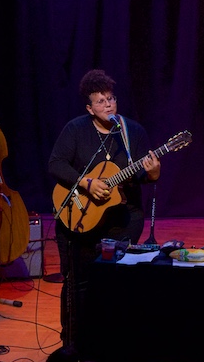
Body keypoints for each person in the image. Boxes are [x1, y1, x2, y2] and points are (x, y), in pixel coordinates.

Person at [48, 69, 160, 347]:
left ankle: (113, 341)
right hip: (79, 217)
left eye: (111, 99)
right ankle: (72, 342)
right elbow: (56, 164)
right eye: (100, 101)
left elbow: (145, 177)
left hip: (123, 218)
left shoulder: (133, 132)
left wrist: (154, 172)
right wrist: (86, 182)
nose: (108, 105)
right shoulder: (75, 129)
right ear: (89, 108)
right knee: (78, 282)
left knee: (116, 281)